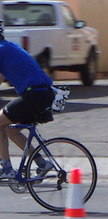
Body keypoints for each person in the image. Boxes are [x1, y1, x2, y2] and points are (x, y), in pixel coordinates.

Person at [0, 22, 55, 179]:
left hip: (34, 95)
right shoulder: (8, 47)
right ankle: (42, 163)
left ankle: (7, 169)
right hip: (43, 93)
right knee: (11, 129)